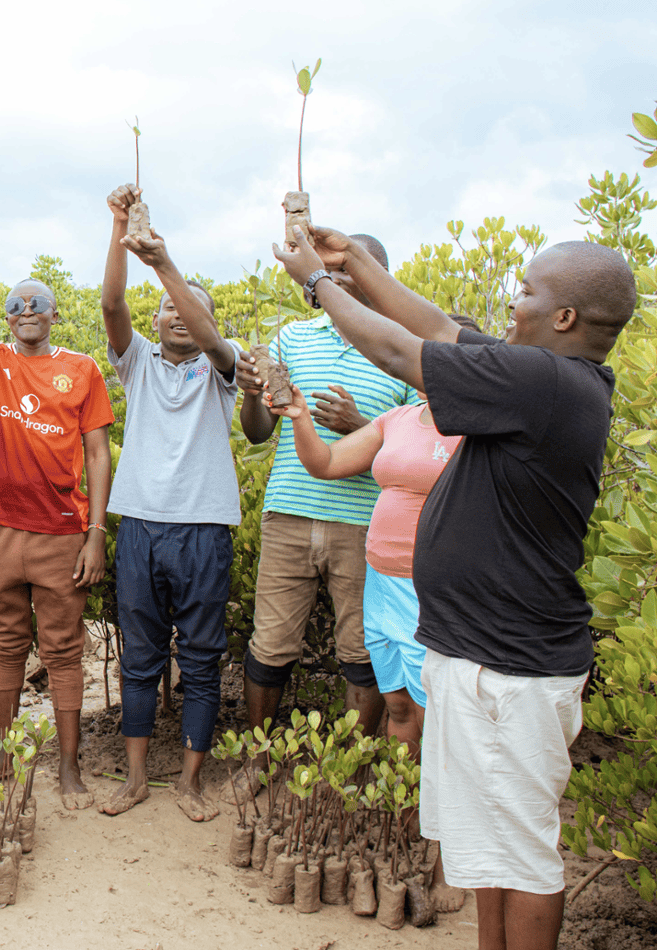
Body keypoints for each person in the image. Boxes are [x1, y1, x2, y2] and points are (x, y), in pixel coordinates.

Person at [271, 225, 637, 950]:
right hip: (478, 655)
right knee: (488, 850)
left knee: (524, 856)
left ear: (564, 318)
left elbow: (400, 349)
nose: (513, 299)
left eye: (528, 290)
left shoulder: (546, 383)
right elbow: (437, 325)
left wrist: (319, 282)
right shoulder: (537, 375)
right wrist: (359, 263)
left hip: (514, 669)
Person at [270, 315, 470, 914]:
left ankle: (447, 858)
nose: (436, 369)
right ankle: (404, 826)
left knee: (443, 724)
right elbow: (326, 465)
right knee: (402, 708)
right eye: (432, 358)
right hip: (384, 585)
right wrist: (301, 416)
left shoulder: (482, 430)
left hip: (437, 592)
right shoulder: (400, 419)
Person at [228, 230, 418, 800]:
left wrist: (356, 424)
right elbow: (259, 432)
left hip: (364, 522)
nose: (338, 284)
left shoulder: (402, 351)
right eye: (331, 275)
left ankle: (346, 773)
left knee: (359, 652)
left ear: (377, 278)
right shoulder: (293, 337)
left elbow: (414, 450)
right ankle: (258, 761)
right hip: (289, 512)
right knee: (270, 644)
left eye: (351, 274)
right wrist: (252, 395)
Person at [0, 232, 113, 811]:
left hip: (63, 534)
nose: (27, 310)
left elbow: (97, 454)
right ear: (7, 320)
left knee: (63, 650)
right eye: (15, 304)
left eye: (37, 302)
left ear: (56, 314)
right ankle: (4, 752)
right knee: (5, 643)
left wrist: (97, 533)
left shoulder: (82, 369)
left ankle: (68, 767)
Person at [93, 186, 241, 822]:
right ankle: (133, 778)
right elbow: (110, 303)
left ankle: (190, 780)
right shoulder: (139, 365)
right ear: (154, 323)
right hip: (143, 529)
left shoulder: (222, 368)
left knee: (202, 659)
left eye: (189, 308)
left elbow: (208, 333)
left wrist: (167, 266)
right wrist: (122, 227)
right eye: (166, 309)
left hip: (205, 531)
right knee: (142, 655)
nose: (176, 315)